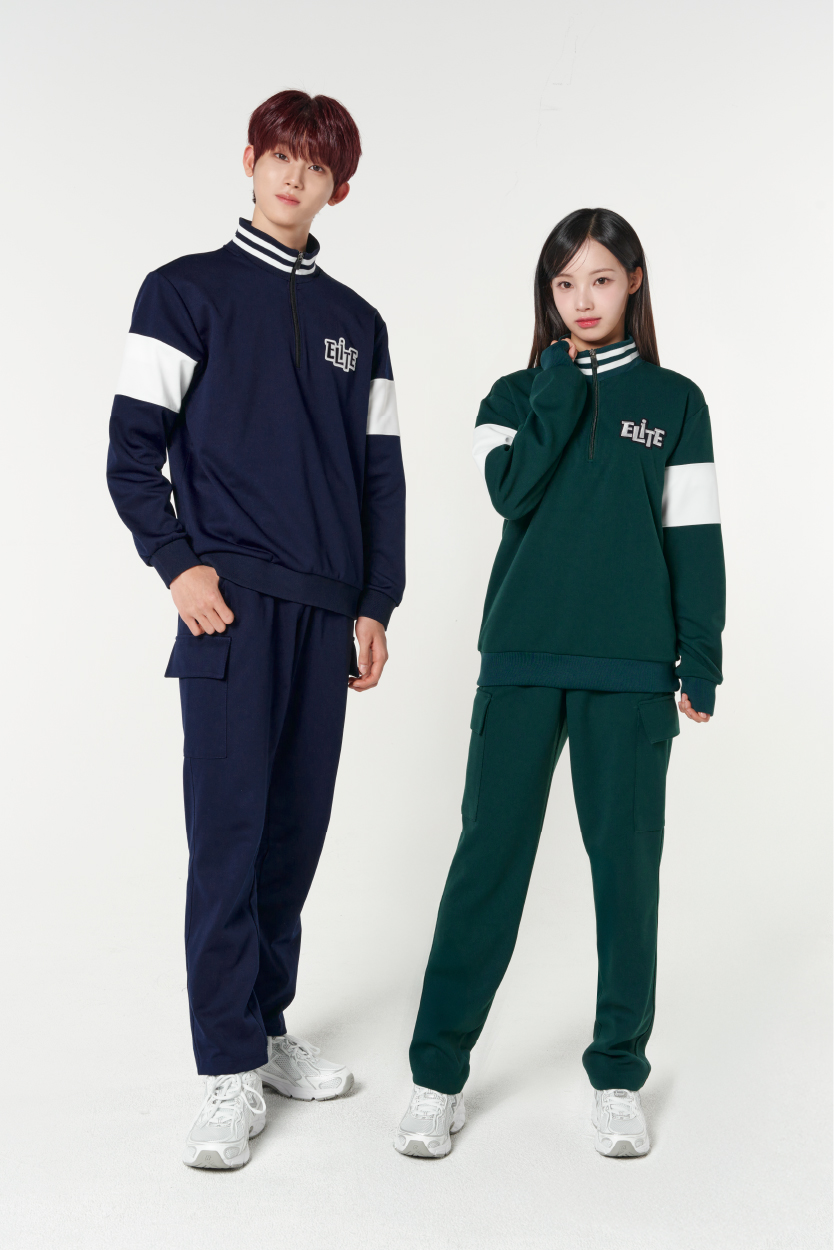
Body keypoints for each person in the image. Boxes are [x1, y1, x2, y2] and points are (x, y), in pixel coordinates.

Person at [107, 90, 405, 1169]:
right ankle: (226, 1067)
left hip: (326, 612)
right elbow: (130, 452)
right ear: (249, 159)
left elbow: (381, 479)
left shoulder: (359, 323)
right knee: (228, 834)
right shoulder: (183, 291)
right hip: (228, 604)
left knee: (294, 833)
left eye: (314, 167)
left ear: (338, 188)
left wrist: (376, 602)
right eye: (280, 155)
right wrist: (177, 562)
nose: (293, 177)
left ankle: (266, 1026)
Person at [394, 207, 724, 1160]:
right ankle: (437, 1076)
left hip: (631, 673)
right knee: (486, 865)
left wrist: (700, 656)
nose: (584, 300)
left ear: (634, 284)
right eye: (566, 283)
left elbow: (694, 540)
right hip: (522, 663)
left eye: (602, 280)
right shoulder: (511, 394)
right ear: (548, 293)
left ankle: (618, 1075)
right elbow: (511, 490)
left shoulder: (676, 401)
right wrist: (557, 383)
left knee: (626, 875)